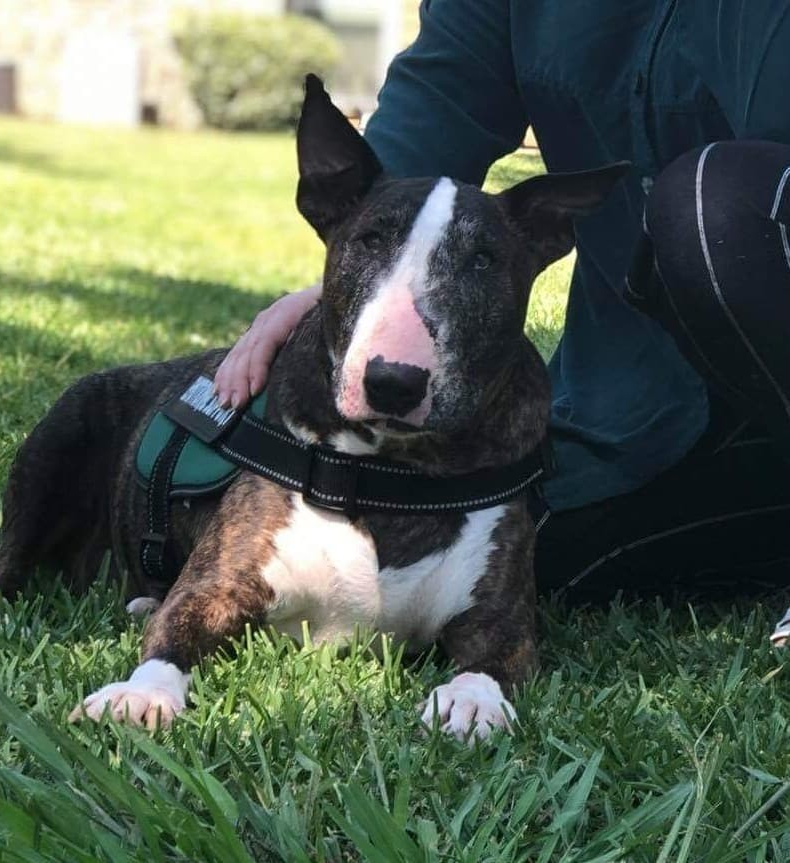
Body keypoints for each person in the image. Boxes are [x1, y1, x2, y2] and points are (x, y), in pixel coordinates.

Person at [214, 0, 790, 614]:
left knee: (712, 209)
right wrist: (356, 298)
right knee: (527, 553)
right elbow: (441, 102)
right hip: (641, 412)